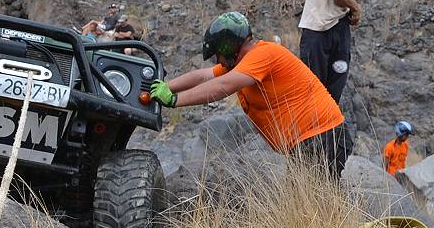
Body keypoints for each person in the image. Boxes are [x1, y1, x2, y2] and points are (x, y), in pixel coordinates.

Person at [149, 12, 352, 179]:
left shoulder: (262, 55)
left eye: (217, 55)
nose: (217, 61)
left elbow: (223, 87)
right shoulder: (244, 62)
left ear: (226, 46)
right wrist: (165, 87)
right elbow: (203, 76)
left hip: (322, 138)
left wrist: (175, 100)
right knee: (311, 206)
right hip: (310, 141)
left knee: (314, 209)